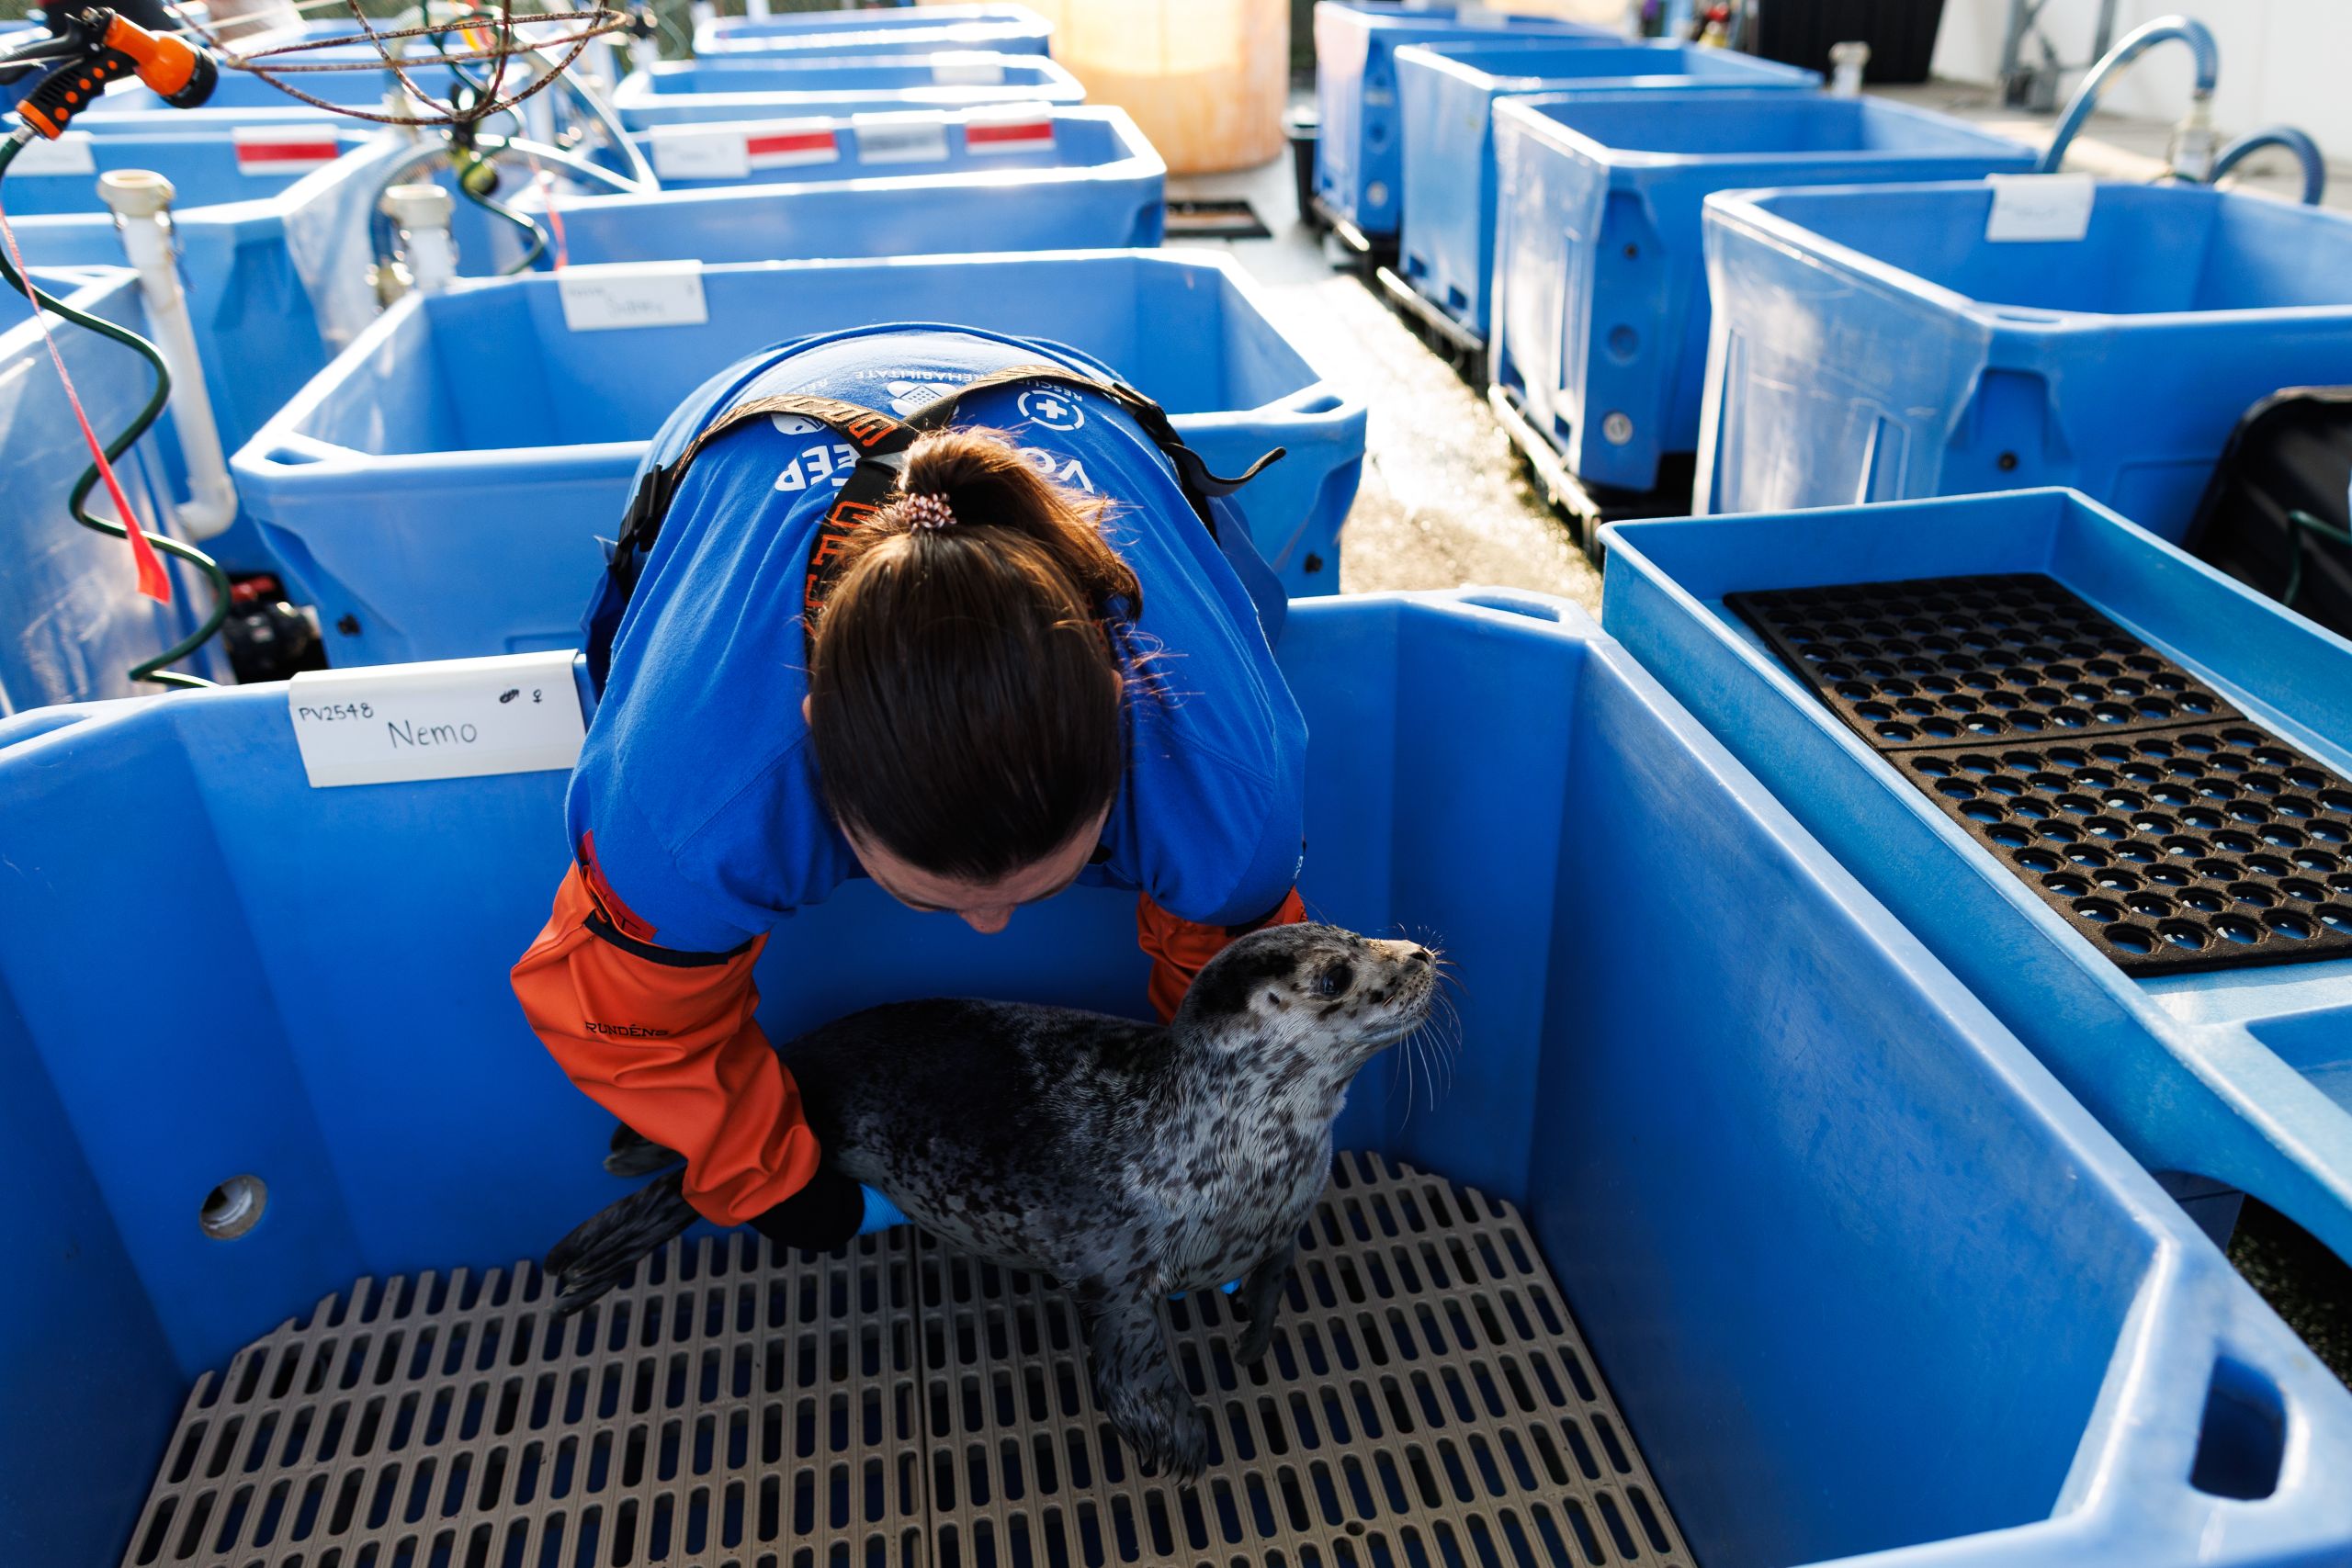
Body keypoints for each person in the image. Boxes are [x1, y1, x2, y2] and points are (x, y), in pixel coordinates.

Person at [513, 323, 1308, 1255]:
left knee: (1253, 628)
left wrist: (1222, 1172)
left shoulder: (1224, 776)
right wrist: (773, 1182)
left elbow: (1238, 999)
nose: (988, 931)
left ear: (1116, 711)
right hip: (748, 423)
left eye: (1042, 884)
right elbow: (630, 1018)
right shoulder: (685, 808)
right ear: (814, 742)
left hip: (1068, 402)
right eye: (924, 893)